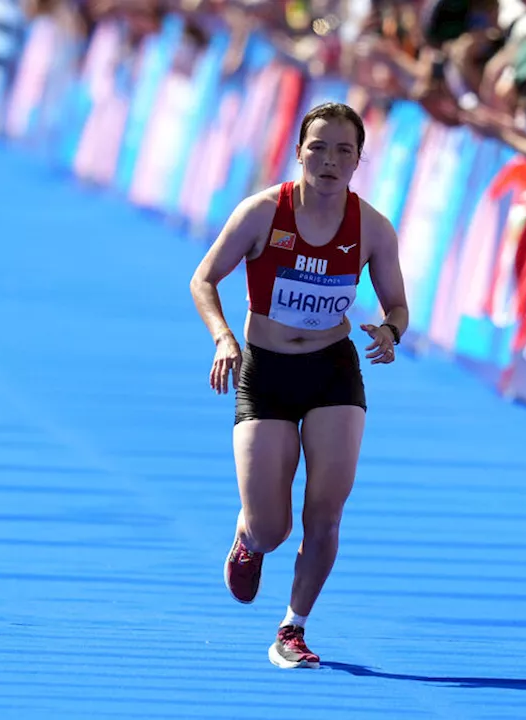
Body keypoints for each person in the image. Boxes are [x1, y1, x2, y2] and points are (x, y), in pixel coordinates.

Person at [188, 102, 410, 670]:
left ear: (359, 160)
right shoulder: (263, 212)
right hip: (266, 372)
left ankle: (293, 627)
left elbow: (399, 306)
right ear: (299, 152)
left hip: (333, 370)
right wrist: (222, 338)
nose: (330, 160)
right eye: (319, 147)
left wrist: (389, 331)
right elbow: (204, 279)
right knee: (272, 527)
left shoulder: (373, 229)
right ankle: (249, 539)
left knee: (326, 512)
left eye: (344, 150)